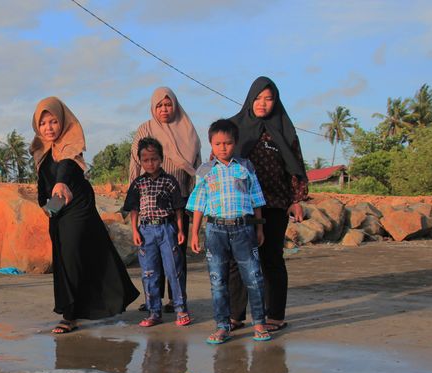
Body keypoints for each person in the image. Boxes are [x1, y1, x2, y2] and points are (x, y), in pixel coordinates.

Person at [32, 96, 139, 334]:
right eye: (43, 123)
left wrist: (60, 183)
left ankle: (69, 316)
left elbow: (66, 167)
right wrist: (45, 204)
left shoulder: (70, 142)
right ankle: (99, 300)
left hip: (78, 205)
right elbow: (43, 179)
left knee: (71, 255)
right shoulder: (40, 148)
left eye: (53, 122)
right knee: (68, 256)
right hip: (57, 209)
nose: (49, 128)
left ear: (63, 121)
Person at [228, 76, 308, 332]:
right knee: (237, 259)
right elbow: (219, 161)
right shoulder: (234, 127)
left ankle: (274, 314)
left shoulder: (285, 129)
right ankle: (234, 315)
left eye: (269, 98)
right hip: (239, 205)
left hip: (275, 203)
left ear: (276, 101)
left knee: (271, 258)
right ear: (250, 99)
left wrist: (296, 200)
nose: (263, 103)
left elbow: (295, 166)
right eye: (258, 98)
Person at [188, 119, 270, 344]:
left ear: (235, 143)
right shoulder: (204, 170)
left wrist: (260, 227)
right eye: (218, 144)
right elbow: (198, 204)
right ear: (211, 144)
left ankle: (260, 323)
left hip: (244, 229)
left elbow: (256, 199)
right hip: (215, 231)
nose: (223, 147)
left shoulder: (245, 167)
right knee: (218, 281)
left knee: (253, 277)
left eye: (227, 143)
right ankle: (222, 326)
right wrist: (195, 233)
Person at [130, 87, 201, 314]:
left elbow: (197, 168)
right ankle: (155, 299)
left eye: (168, 105)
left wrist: (196, 199)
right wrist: (134, 198)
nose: (164, 109)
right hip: (150, 204)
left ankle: (176, 299)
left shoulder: (188, 130)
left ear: (176, 106)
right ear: (153, 107)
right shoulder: (145, 129)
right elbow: (135, 162)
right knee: (153, 257)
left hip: (179, 202)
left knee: (176, 255)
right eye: (159, 105)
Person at [123, 137, 190, 327]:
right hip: (146, 231)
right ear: (141, 161)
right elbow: (134, 210)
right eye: (145, 160)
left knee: (174, 270)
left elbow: (178, 208)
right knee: (149, 272)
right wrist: (134, 230)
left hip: (167, 229)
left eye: (153, 159)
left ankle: (181, 309)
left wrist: (180, 230)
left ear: (161, 159)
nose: (150, 163)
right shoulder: (138, 184)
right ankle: (154, 312)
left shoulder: (170, 182)